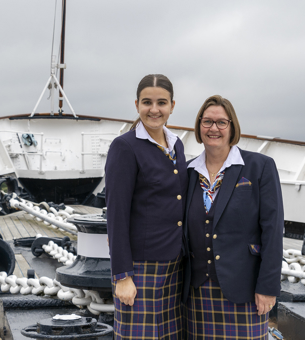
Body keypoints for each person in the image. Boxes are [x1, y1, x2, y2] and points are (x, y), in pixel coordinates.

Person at [183, 95, 284, 339]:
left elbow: (272, 229)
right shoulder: (187, 172)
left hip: (244, 290)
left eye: (221, 122)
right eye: (207, 122)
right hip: (197, 291)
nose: (213, 129)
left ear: (232, 127)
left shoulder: (259, 167)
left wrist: (268, 288)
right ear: (199, 126)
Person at [105, 74, 188, 339]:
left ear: (172, 105)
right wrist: (122, 275)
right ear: (137, 104)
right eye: (147, 102)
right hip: (141, 268)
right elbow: (116, 214)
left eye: (161, 102)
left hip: (175, 264)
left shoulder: (177, 145)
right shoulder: (125, 147)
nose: (154, 109)